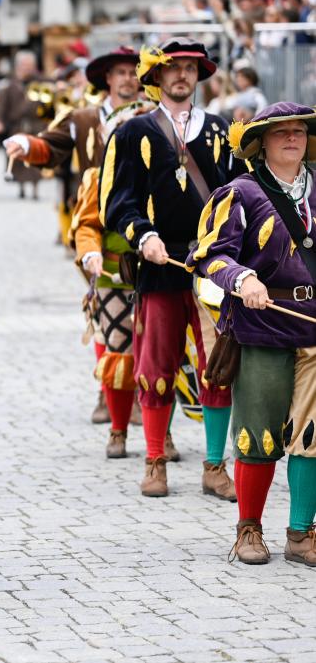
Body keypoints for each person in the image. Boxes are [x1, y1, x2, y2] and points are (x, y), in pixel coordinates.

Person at [99, 39, 240, 497]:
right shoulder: (132, 131)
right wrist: (144, 235)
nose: (182, 74)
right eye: (173, 68)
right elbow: (117, 202)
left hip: (210, 266)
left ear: (199, 76)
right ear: (156, 77)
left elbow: (237, 198)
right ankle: (155, 460)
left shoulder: (221, 131)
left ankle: (215, 466)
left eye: (190, 68)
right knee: (154, 364)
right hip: (159, 265)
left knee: (217, 366)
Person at [189, 102, 316, 565]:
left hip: (314, 329)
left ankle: (302, 535)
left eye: (299, 131)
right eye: (281, 132)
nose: (292, 138)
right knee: (258, 435)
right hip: (262, 325)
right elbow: (210, 256)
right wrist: (244, 280)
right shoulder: (239, 193)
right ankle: (249, 530)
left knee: (313, 435)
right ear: (262, 142)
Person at [6, 47, 145, 432]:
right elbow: (50, 146)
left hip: (145, 224)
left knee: (144, 317)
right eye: (120, 72)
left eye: (134, 71)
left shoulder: (153, 116)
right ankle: (110, 387)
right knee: (103, 310)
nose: (129, 78)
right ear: (107, 79)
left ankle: (137, 393)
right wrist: (25, 144)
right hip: (95, 222)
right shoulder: (84, 118)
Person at [0, 50, 45, 198]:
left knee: (35, 156)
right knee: (18, 157)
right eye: (24, 64)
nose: (27, 68)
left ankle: (35, 188)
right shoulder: (11, 84)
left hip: (36, 125)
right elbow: (2, 105)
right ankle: (21, 186)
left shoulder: (41, 82)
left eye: (30, 65)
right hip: (17, 126)